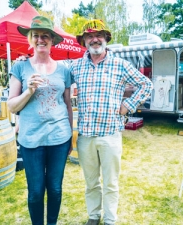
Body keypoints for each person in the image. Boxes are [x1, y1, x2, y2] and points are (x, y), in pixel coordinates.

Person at [70, 19, 153, 225]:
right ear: (84, 41)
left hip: (110, 135)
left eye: (99, 35)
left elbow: (146, 84)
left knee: (111, 183)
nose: (95, 39)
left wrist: (128, 105)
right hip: (85, 137)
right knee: (91, 183)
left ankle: (109, 219)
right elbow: (60, 86)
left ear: (106, 38)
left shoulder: (121, 64)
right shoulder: (75, 67)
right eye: (89, 36)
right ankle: (93, 216)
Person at [7, 16, 73, 225]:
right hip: (31, 139)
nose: (41, 39)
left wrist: (70, 135)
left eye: (45, 36)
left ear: (52, 40)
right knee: (35, 192)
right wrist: (29, 91)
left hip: (59, 138)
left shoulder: (64, 70)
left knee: (54, 188)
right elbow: (11, 106)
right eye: (36, 35)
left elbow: (67, 104)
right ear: (30, 39)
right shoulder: (20, 68)